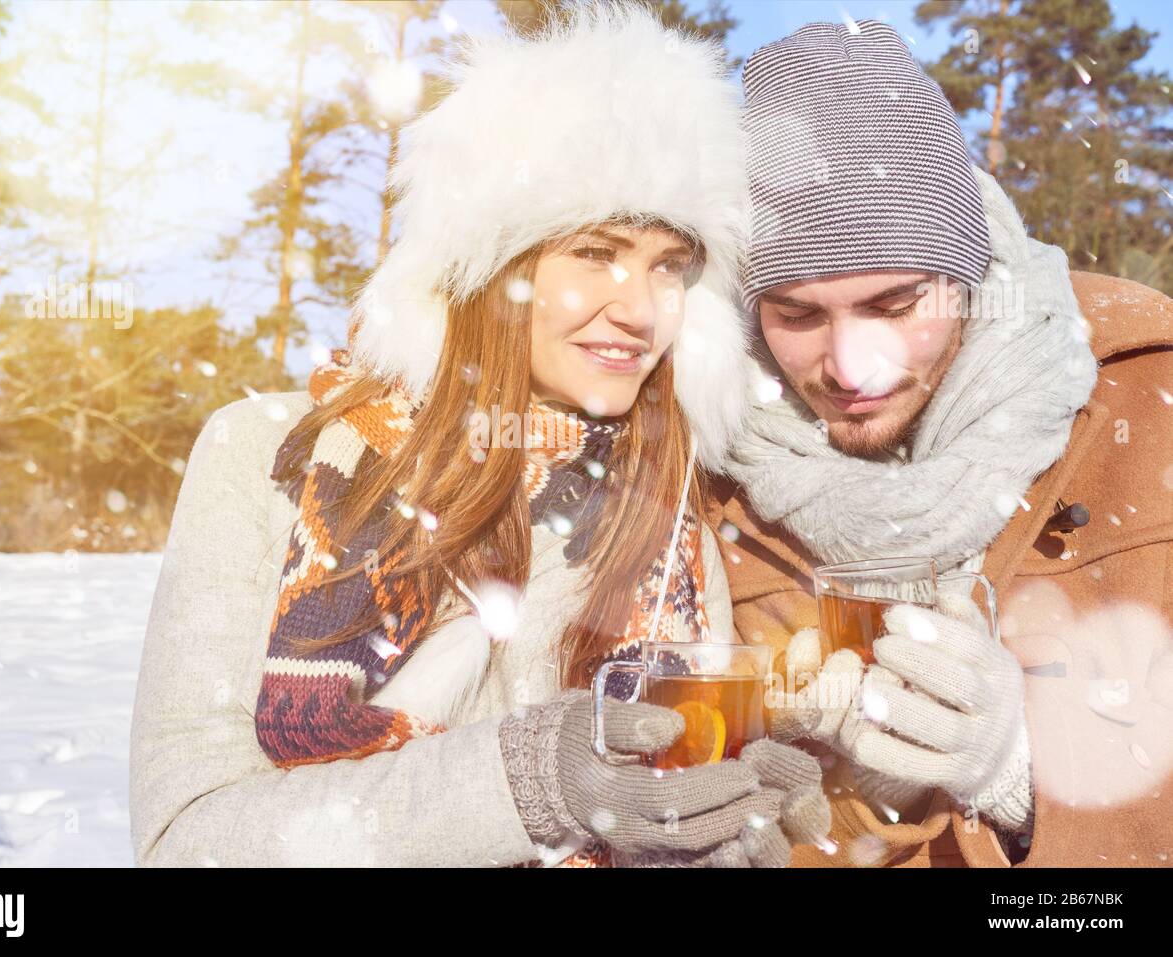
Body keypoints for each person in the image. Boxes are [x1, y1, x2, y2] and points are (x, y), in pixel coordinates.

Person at [129, 5, 830, 869]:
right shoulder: (267, 460)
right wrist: (527, 784)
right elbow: (185, 841)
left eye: (669, 266)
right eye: (596, 252)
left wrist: (711, 816)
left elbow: (663, 794)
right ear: (493, 267)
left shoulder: (668, 511)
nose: (641, 310)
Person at [709, 18, 1173, 868]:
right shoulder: (709, 463)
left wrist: (1026, 775)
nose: (851, 367)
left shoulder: (1149, 397)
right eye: (797, 314)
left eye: (893, 306)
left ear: (965, 276)